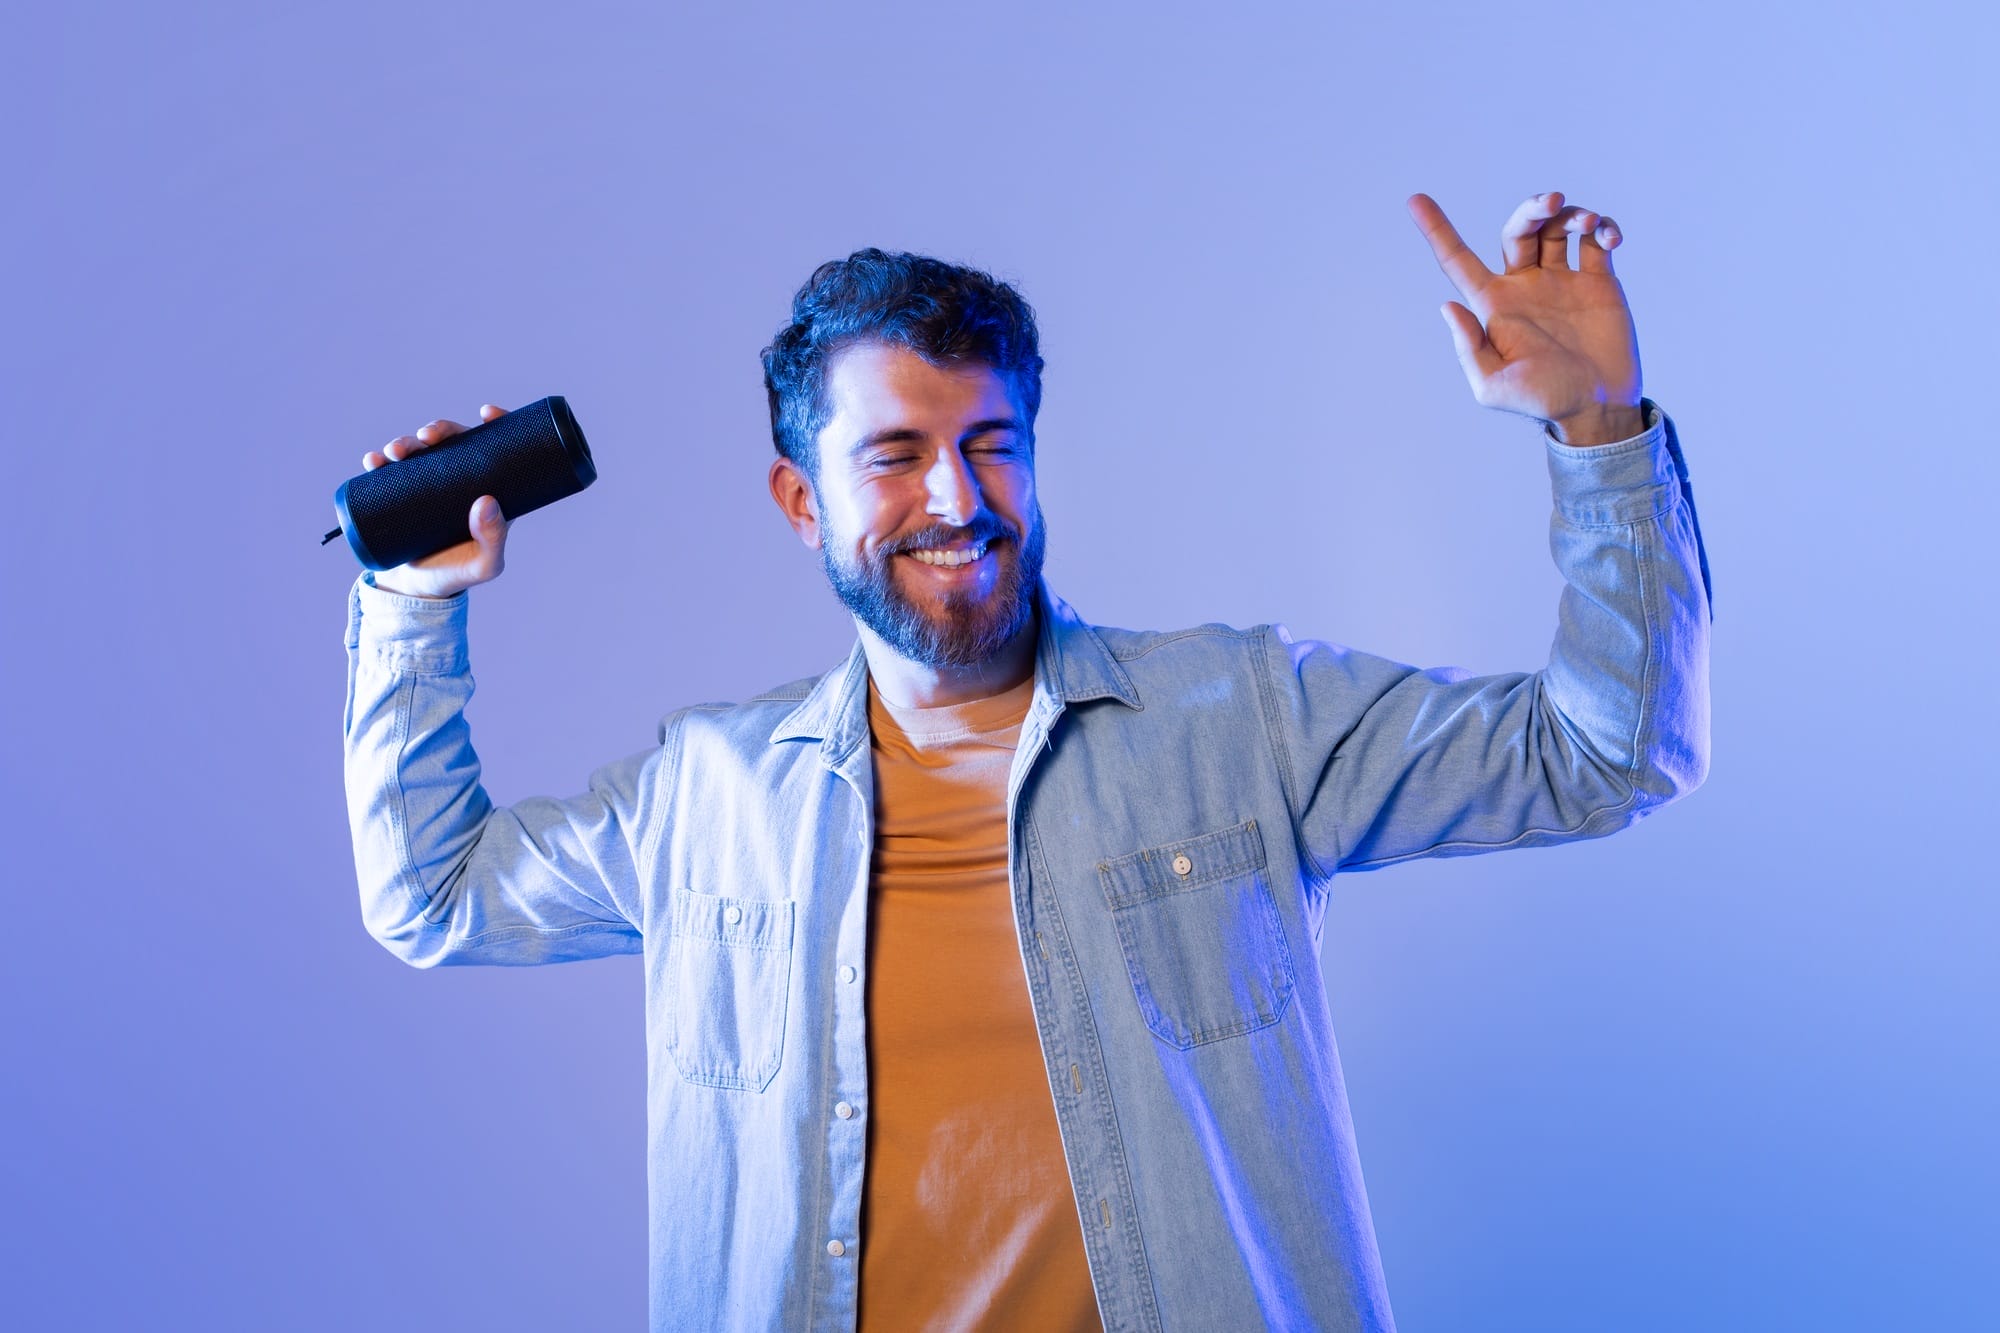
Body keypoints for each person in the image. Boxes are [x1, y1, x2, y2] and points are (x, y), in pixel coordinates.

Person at [341, 191, 1711, 1332]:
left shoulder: (1239, 718)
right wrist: (410, 605)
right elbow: (433, 894)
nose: (958, 497)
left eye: (991, 444)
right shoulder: (711, 793)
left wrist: (1600, 431)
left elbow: (1607, 754)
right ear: (801, 501)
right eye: (896, 455)